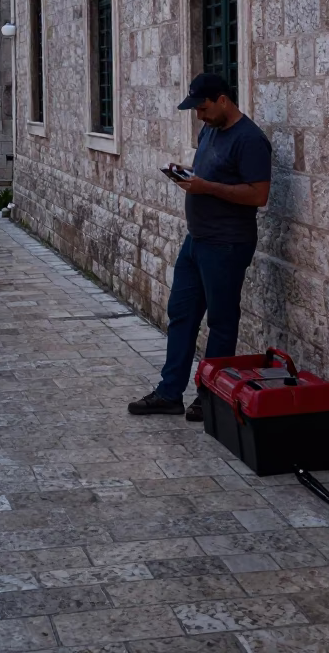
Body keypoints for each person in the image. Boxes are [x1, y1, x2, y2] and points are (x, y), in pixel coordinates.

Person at [128, 73, 272, 422]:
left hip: (226, 244)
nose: (200, 116)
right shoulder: (210, 130)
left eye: (204, 108)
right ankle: (169, 393)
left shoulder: (251, 140)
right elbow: (211, 173)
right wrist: (186, 173)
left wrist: (206, 187)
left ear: (223, 100)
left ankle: (209, 398)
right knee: (182, 314)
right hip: (196, 240)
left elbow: (258, 194)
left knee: (221, 322)